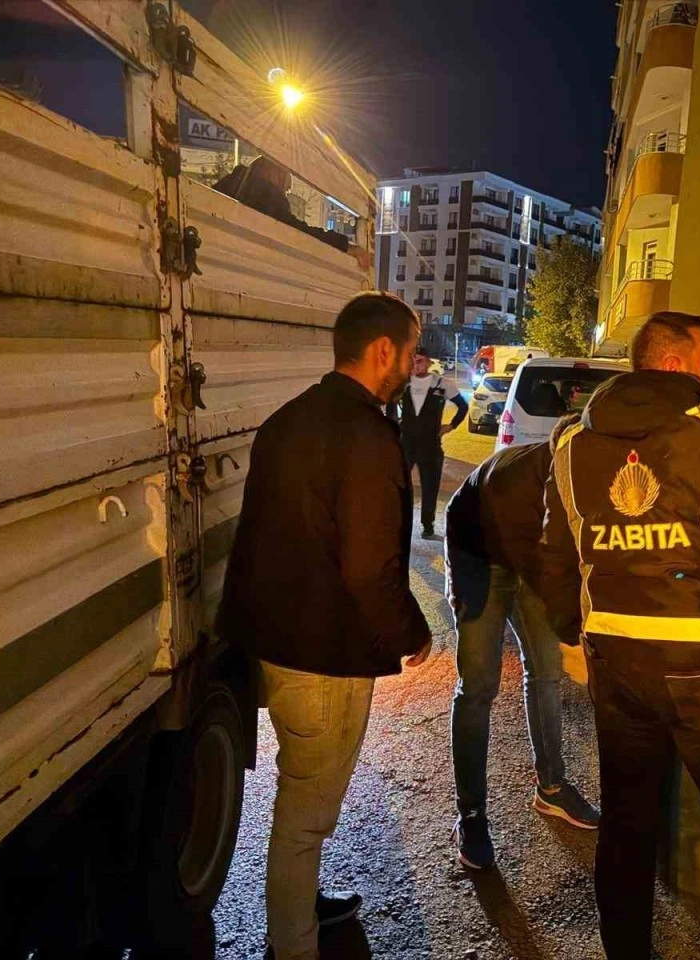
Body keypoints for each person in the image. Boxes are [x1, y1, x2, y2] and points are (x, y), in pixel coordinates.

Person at [539, 311, 700, 960]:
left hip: (616, 658)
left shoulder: (570, 443)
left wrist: (575, 630)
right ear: (674, 363)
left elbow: (554, 558)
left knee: (626, 824)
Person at [219, 293, 433, 960]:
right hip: (324, 655)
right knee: (305, 816)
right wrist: (412, 633)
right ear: (382, 351)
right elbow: (370, 568)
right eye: (410, 352)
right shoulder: (366, 436)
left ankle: (302, 906)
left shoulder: (288, 420)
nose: (413, 366)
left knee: (303, 801)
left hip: (280, 643)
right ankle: (294, 947)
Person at [444, 415, 600, 871]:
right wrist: (573, 636)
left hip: (530, 552)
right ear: (557, 455)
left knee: (546, 672)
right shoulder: (518, 482)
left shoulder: (584, 475)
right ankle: (471, 814)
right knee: (478, 685)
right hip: (478, 552)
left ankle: (552, 787)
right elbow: (545, 570)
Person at [215, 155, 364, 263]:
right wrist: (345, 246)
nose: (285, 195)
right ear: (277, 178)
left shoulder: (229, 184)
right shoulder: (264, 195)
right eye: (285, 189)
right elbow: (297, 232)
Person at [388, 346, 469, 539]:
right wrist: (394, 426)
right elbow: (390, 406)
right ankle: (398, 521)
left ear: (429, 363)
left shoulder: (441, 384)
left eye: (420, 361)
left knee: (430, 486)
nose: (416, 365)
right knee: (399, 485)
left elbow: (463, 406)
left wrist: (451, 426)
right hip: (406, 443)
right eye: (413, 361)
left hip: (431, 444)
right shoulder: (403, 384)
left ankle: (428, 524)